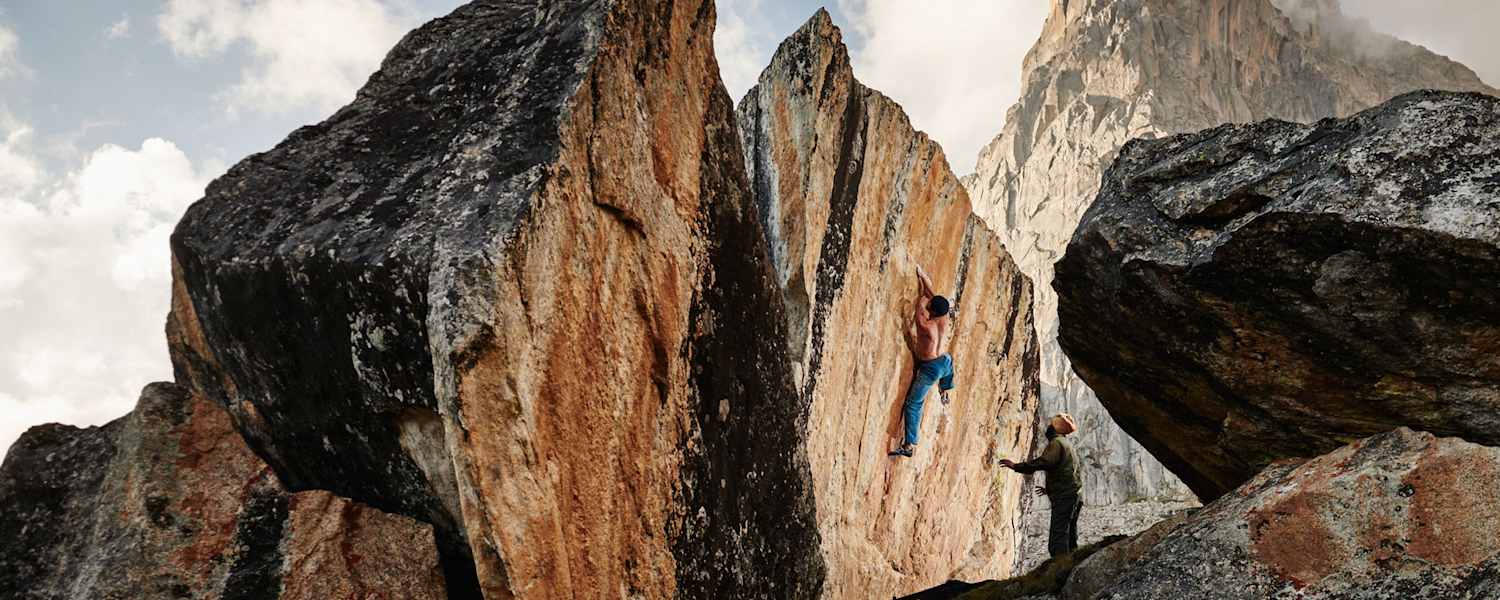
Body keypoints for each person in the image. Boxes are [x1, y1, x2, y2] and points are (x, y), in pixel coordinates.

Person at [889, 264, 955, 458]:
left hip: (931, 368)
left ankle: (909, 445)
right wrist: (922, 276)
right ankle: (945, 390)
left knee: (913, 404)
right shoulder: (945, 316)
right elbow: (932, 295)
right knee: (948, 366)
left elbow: (920, 307)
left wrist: (921, 300)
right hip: (945, 362)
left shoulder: (926, 326)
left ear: (931, 312)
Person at [1001, 414, 1082, 557]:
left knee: (1058, 536)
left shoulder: (1057, 443)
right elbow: (1067, 472)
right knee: (1070, 534)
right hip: (1074, 495)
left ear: (1055, 429)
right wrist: (1049, 489)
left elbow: (1044, 462)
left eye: (1051, 426)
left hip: (1065, 497)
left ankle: (1059, 567)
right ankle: (1073, 563)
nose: (1048, 428)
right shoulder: (1067, 444)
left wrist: (1016, 466)